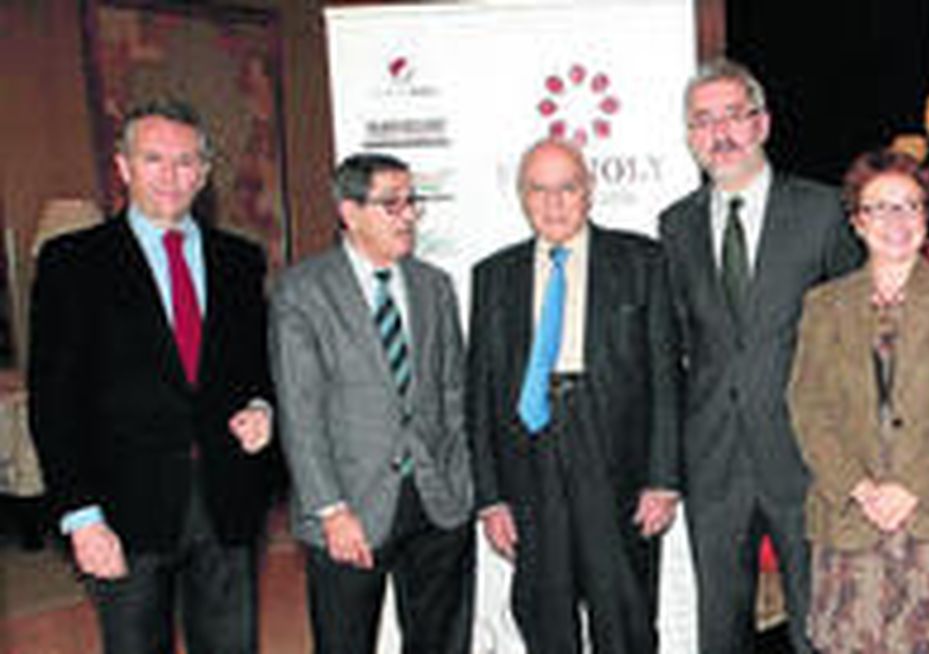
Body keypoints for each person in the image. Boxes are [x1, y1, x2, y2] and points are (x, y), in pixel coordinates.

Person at [29, 99, 276, 653]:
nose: (172, 176)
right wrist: (80, 516)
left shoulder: (240, 260)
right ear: (123, 166)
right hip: (122, 512)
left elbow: (257, 367)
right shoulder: (72, 263)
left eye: (187, 161)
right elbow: (54, 402)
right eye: (154, 159)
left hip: (227, 501)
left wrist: (262, 407)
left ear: (206, 172)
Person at [656, 57, 862, 653]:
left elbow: (855, 341)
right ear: (690, 136)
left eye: (733, 117)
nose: (719, 134)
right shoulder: (676, 226)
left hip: (807, 456)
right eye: (702, 121)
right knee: (720, 626)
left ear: (762, 124)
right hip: (713, 459)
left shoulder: (823, 212)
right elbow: (674, 351)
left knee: (817, 624)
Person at [469, 138, 680, 653]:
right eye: (539, 190)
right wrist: (490, 497)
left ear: (589, 192)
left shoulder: (642, 261)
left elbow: (665, 379)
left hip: (615, 459)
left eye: (567, 188)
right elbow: (479, 394)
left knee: (624, 616)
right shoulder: (493, 276)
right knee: (544, 615)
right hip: (529, 461)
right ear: (522, 196)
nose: (554, 203)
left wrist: (663, 479)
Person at [789, 149, 929, 653]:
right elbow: (809, 408)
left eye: (909, 206)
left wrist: (911, 488)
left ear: (926, 218)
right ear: (857, 222)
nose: (896, 221)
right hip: (852, 520)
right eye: (879, 208)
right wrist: (861, 489)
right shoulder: (824, 304)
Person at [269, 153, 475, 654]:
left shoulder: (434, 286)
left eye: (412, 202)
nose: (408, 216)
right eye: (391, 204)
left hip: (436, 502)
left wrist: (463, 485)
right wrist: (330, 510)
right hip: (350, 509)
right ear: (349, 211)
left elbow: (452, 394)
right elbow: (301, 413)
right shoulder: (302, 292)